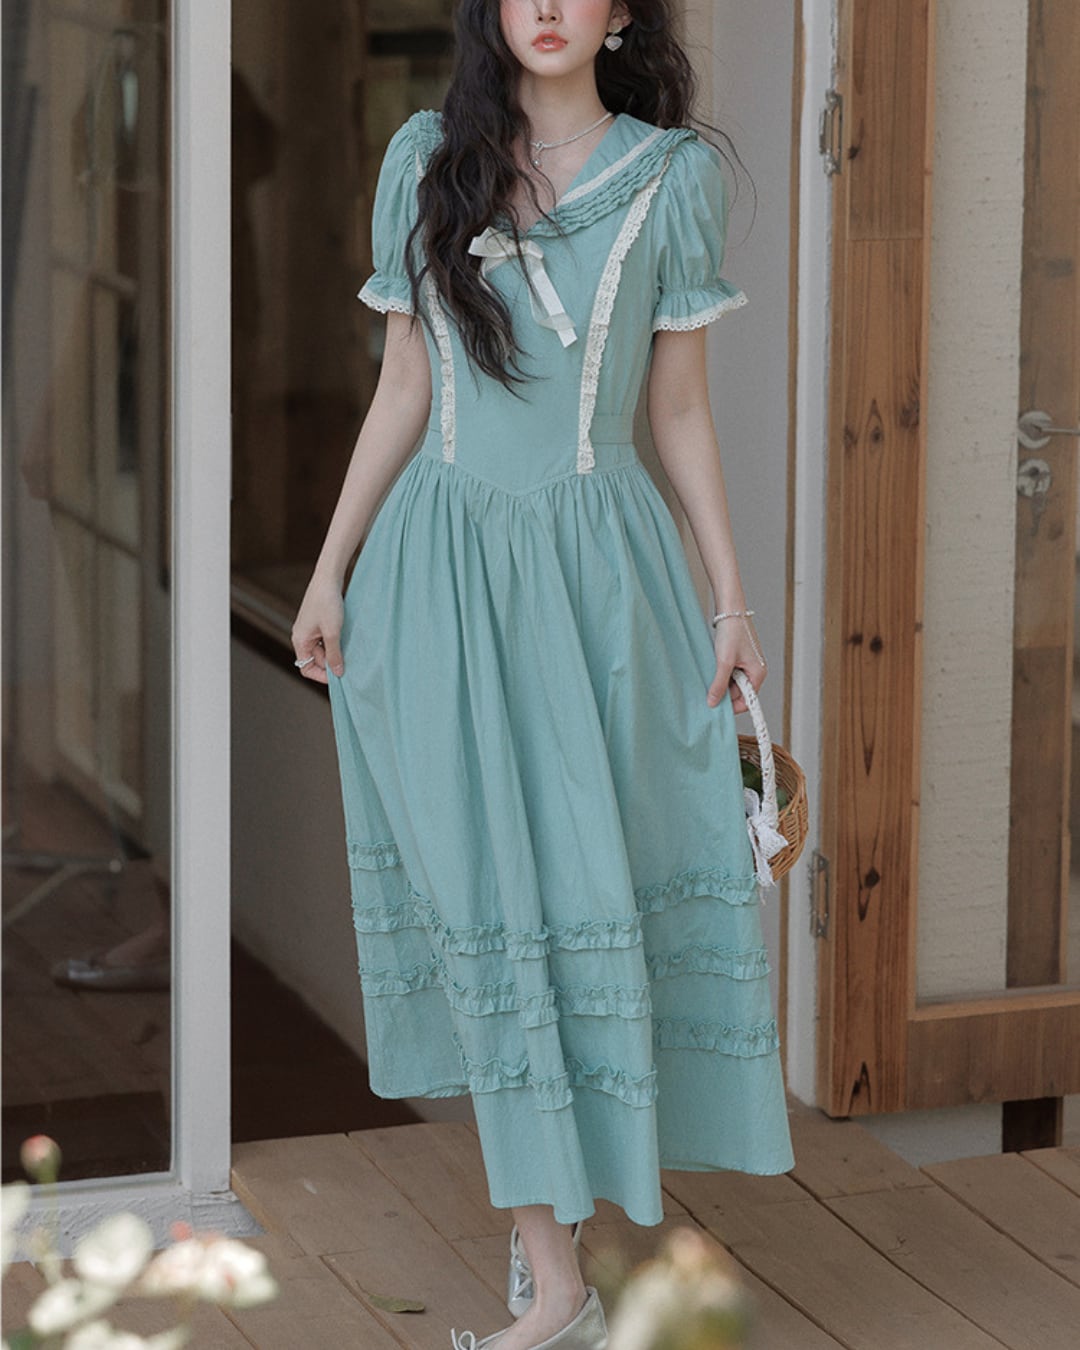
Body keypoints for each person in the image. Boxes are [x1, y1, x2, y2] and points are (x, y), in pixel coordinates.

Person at [292, 1, 795, 1345]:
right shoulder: (426, 159)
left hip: (598, 582)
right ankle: (555, 1274)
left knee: (582, 891)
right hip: (440, 570)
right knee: (484, 904)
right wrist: (332, 568)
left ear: (623, 12)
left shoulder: (673, 178)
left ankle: (554, 1242)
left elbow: (676, 408)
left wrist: (729, 600)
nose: (553, 8)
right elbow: (404, 384)